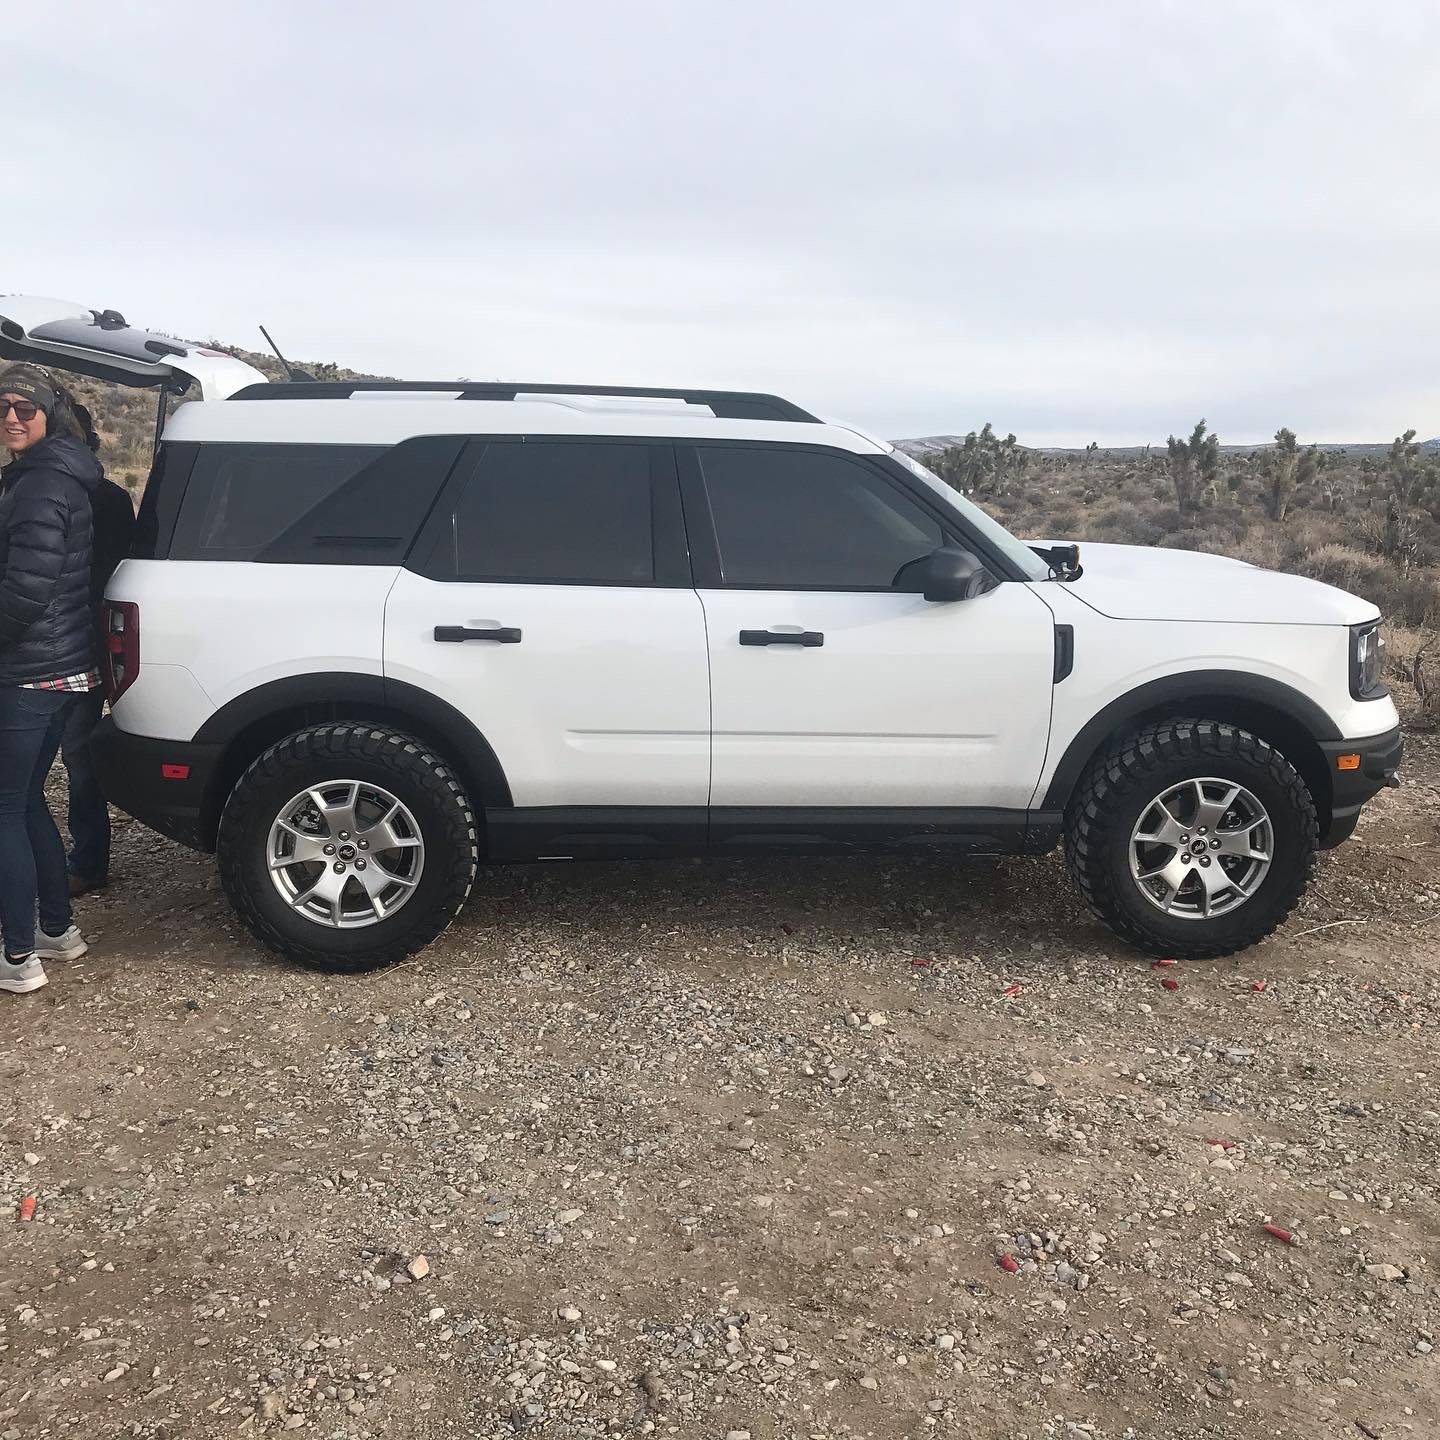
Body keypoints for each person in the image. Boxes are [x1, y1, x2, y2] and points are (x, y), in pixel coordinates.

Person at [0, 364, 101, 995]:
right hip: (62, 671)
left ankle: (16, 957)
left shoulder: (40, 486)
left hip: (30, 673)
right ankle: (55, 933)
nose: (13, 416)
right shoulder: (55, 475)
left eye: (25, 408)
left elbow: (26, 590)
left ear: (48, 415)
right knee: (26, 801)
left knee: (3, 810)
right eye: (4, 405)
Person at [62, 423, 134, 895]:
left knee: (78, 755)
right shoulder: (17, 485)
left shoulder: (107, 499)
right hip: (52, 640)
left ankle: (88, 862)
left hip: (83, 643)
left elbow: (115, 572)